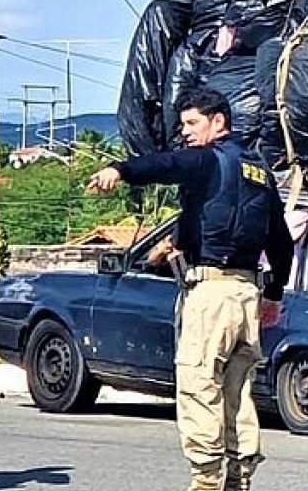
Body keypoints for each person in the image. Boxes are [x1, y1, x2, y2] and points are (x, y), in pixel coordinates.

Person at [87, 87, 294, 491]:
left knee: (199, 384)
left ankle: (206, 481)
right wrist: (274, 294)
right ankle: (239, 479)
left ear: (218, 122)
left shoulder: (207, 159)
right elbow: (280, 241)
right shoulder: (258, 171)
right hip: (246, 294)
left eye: (191, 123)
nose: (185, 132)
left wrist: (121, 169)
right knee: (237, 393)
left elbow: (167, 163)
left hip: (211, 294)